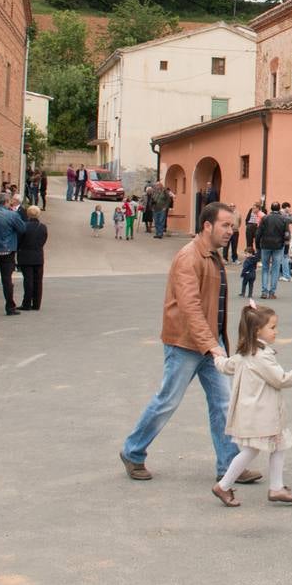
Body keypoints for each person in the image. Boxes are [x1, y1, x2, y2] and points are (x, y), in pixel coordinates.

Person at [121, 202, 253, 486]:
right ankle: (132, 452)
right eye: (225, 225)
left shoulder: (213, 255)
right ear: (207, 225)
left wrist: (216, 341)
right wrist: (211, 343)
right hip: (185, 344)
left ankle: (229, 465)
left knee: (223, 404)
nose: (231, 231)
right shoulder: (188, 257)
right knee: (167, 401)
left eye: (233, 226)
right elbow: (190, 306)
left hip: (209, 344)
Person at [212, 306, 292, 507]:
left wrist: (217, 357)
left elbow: (227, 366)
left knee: (277, 445)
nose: (276, 331)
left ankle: (276, 487)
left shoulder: (245, 352)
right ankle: (223, 486)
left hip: (255, 414)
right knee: (252, 451)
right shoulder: (261, 355)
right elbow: (280, 379)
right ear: (257, 330)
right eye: (273, 327)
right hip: (261, 414)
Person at [255, 203, 289, 300]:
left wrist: (257, 245)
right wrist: (286, 248)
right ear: (279, 209)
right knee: (275, 269)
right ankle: (272, 292)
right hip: (278, 246)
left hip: (265, 245)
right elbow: (286, 234)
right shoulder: (283, 219)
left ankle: (264, 291)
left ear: (271, 208)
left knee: (265, 268)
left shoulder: (265, 218)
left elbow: (259, 232)